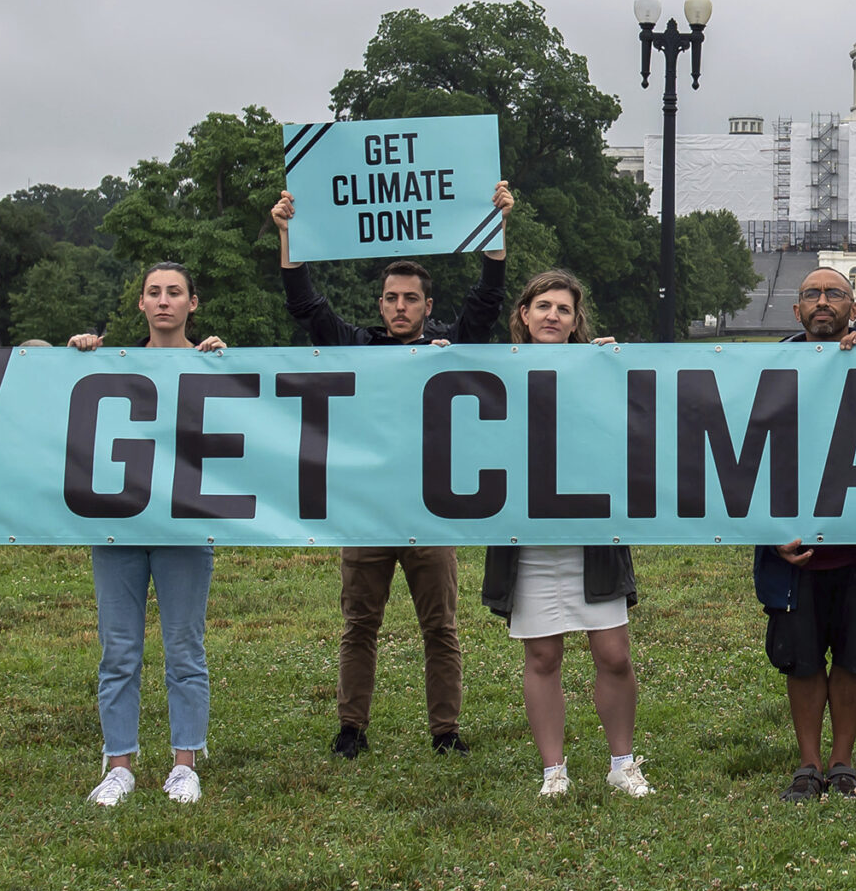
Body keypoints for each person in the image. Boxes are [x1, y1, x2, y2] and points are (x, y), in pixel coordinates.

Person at [271, 183, 513, 760]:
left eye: (410, 298)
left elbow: (485, 304)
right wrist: (288, 236)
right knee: (359, 625)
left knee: (441, 628)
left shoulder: (448, 346)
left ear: (429, 307)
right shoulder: (355, 345)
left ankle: (445, 732)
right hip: (369, 511)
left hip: (432, 511)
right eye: (390, 297)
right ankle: (351, 727)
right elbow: (308, 308)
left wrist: (496, 231)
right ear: (379, 304)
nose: (399, 306)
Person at [477, 271, 650, 799]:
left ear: (576, 322)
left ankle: (623, 763)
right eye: (543, 306)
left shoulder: (599, 367)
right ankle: (554, 770)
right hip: (526, 540)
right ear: (524, 315)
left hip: (591, 535)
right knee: (543, 657)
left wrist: (615, 368)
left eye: (564, 309)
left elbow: (634, 426)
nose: (553, 315)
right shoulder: (492, 372)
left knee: (614, 654)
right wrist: (438, 363)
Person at [67, 263, 228, 806]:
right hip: (118, 524)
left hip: (185, 521)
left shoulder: (212, 360)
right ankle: (119, 765)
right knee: (119, 650)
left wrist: (226, 365)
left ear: (192, 303)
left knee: (184, 647)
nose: (164, 301)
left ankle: (185, 763)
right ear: (140, 304)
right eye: (154, 293)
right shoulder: (111, 362)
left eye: (174, 293)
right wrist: (77, 355)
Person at [759, 268, 856, 801]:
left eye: (834, 293)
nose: (822, 302)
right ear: (795, 311)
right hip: (791, 550)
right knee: (800, 658)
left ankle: (842, 761)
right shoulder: (768, 369)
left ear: (854, 308)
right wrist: (769, 531)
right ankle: (808, 764)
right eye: (811, 294)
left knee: (854, 657)